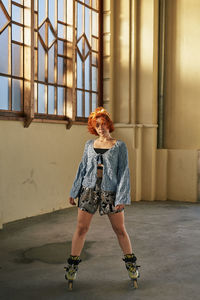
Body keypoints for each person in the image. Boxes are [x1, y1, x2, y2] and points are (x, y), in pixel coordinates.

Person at [64, 107, 140, 289]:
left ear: (109, 124)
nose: (100, 127)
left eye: (103, 123)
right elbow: (82, 168)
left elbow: (124, 173)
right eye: (97, 125)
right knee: (81, 228)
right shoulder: (89, 145)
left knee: (120, 230)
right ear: (94, 127)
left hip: (111, 192)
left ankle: (131, 265)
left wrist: (121, 196)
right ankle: (72, 267)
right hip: (88, 189)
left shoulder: (119, 145)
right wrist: (74, 191)